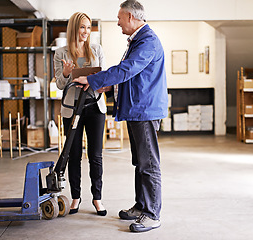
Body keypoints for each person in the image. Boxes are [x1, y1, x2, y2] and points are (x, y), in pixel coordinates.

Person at [73, 0, 168, 232]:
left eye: (119, 18)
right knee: (140, 163)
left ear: (130, 16)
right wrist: (106, 87)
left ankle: (152, 214)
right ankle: (142, 205)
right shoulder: (137, 41)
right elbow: (131, 75)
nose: (117, 22)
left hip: (144, 111)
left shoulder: (148, 41)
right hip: (137, 110)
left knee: (149, 164)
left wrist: (94, 80)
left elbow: (128, 69)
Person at [54, 12, 109, 216]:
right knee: (74, 155)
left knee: (95, 155)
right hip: (72, 109)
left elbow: (105, 76)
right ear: (74, 29)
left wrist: (97, 81)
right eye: (82, 27)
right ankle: (76, 197)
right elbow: (60, 84)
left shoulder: (96, 49)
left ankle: (97, 199)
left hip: (95, 107)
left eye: (89, 27)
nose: (86, 32)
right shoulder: (61, 53)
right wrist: (68, 74)